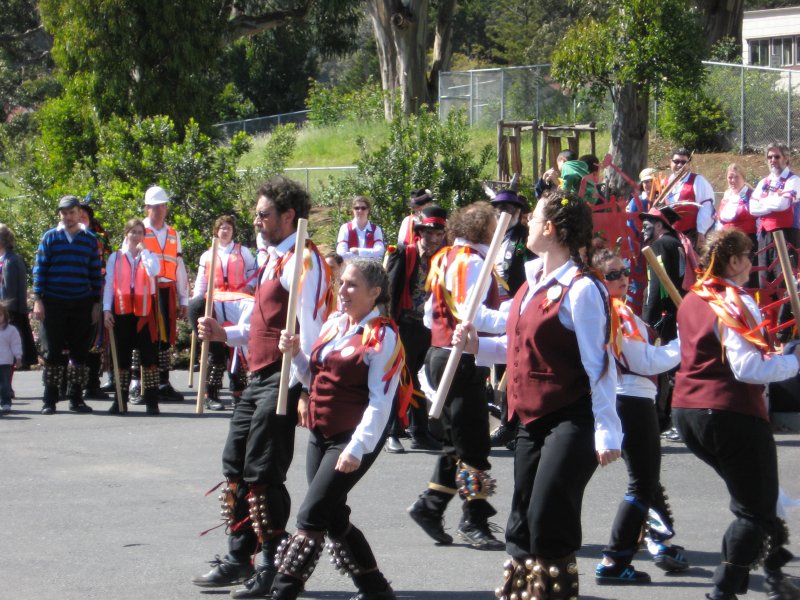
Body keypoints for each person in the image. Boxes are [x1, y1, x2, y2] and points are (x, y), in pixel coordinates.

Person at [457, 189, 622, 599]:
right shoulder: (531, 283)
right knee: (521, 522)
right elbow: (519, 345)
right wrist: (477, 344)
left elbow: (599, 364)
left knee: (549, 517)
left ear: (549, 228)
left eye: (533, 217)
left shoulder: (583, 289)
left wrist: (607, 431)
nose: (527, 221)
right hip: (528, 419)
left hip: (571, 416)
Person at [192, 176, 331, 599]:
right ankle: (240, 556)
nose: (256, 220)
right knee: (235, 461)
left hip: (284, 377)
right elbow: (261, 324)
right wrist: (224, 334)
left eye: (263, 214)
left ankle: (271, 563)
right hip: (258, 375)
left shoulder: (303, 262)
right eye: (255, 213)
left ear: (288, 216)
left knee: (263, 470)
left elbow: (312, 332)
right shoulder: (273, 257)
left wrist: (305, 386)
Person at [672, 228, 800, 600]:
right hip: (729, 412)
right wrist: (794, 362)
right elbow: (746, 368)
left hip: (688, 411)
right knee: (756, 509)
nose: (750, 264)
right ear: (732, 261)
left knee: (758, 498)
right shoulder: (733, 300)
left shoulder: (693, 298)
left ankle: (772, 573)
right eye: (747, 257)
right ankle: (724, 589)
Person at [267, 258, 403, 600]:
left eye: (352, 284)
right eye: (341, 282)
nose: (342, 290)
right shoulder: (333, 324)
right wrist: (296, 354)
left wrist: (357, 448)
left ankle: (282, 591)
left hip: (352, 437)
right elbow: (314, 377)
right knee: (332, 514)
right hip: (320, 432)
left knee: (311, 516)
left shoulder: (382, 336)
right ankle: (376, 589)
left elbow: (381, 401)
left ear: (374, 293)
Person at [407, 201, 507, 551]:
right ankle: (473, 520)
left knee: (457, 442)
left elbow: (428, 315)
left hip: (443, 353)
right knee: (475, 444)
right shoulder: (471, 261)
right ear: (485, 230)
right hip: (458, 360)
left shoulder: (446, 258)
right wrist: (517, 319)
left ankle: (430, 506)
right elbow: (473, 315)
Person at [592, 248, 689, 585]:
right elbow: (644, 361)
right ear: (599, 280)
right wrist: (685, 343)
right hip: (630, 399)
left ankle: (660, 541)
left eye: (624, 271)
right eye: (613, 274)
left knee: (647, 478)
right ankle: (614, 559)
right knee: (642, 482)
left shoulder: (618, 310)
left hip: (632, 397)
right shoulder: (615, 312)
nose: (622, 278)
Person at [385, 204, 448, 453]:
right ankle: (392, 433)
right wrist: (388, 327)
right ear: (420, 232)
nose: (434, 239)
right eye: (429, 233)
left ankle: (419, 432)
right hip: (404, 325)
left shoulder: (444, 259)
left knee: (420, 379)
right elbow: (389, 293)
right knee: (399, 377)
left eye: (439, 234)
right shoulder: (403, 253)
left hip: (428, 328)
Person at [32, 195, 103, 414]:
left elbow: (95, 273)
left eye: (72, 212)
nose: (68, 217)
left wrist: (96, 303)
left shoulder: (89, 239)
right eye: (64, 213)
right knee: (53, 352)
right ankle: (50, 399)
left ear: (79, 213)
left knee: (79, 352)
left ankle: (76, 398)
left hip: (82, 301)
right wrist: (38, 300)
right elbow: (39, 269)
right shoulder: (50, 237)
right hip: (54, 301)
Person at [189, 216, 257, 411]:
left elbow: (253, 274)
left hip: (238, 302)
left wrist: (249, 288)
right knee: (215, 350)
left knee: (237, 348)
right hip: (215, 302)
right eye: (222, 228)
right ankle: (211, 394)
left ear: (233, 231)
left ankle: (238, 392)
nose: (225, 231)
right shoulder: (207, 255)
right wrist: (196, 302)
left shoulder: (244, 252)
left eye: (228, 228)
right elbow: (202, 282)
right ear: (216, 231)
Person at [488, 185, 533, 448]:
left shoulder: (524, 238)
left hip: (519, 307)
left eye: (507, 208)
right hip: (497, 311)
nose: (502, 212)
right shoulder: (493, 237)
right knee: (501, 365)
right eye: (498, 208)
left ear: (517, 211)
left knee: (516, 367)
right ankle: (507, 421)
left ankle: (512, 424)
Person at [639, 205, 689, 439]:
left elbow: (657, 286)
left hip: (665, 315)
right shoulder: (676, 243)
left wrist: (647, 320)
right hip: (679, 310)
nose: (643, 229)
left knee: (667, 369)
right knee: (675, 367)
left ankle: (669, 420)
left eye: (647, 224)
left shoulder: (660, 246)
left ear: (659, 225)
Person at [102, 219, 161, 415]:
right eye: (133, 232)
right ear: (126, 234)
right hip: (122, 312)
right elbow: (109, 285)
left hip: (144, 312)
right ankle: (120, 401)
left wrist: (144, 252)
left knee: (149, 357)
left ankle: (152, 402)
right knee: (122, 358)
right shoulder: (116, 257)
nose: (136, 236)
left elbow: (154, 271)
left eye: (139, 232)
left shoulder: (149, 255)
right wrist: (106, 310)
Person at [141, 185, 190, 402]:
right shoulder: (139, 231)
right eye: (155, 206)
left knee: (165, 336)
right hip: (145, 291)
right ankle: (139, 382)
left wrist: (183, 298)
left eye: (162, 205)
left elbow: (179, 266)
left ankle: (162, 382)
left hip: (166, 289)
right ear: (147, 208)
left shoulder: (173, 234)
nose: (159, 210)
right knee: (145, 335)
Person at [750, 143, 800, 292]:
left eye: (777, 156)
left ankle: (788, 307)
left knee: (784, 280)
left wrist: (763, 202)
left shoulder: (794, 180)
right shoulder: (763, 182)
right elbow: (752, 208)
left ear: (786, 158)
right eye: (769, 157)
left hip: (786, 235)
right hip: (765, 235)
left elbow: (782, 205)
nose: (772, 160)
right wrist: (774, 200)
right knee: (764, 279)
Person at [78, 197, 113, 400]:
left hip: (95, 291)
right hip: (74, 292)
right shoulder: (64, 236)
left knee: (95, 338)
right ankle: (71, 385)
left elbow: (106, 263)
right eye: (78, 215)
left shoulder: (98, 238)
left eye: (84, 215)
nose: (81, 218)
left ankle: (91, 384)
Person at [660, 148, 716, 248]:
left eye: (683, 162)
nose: (680, 165)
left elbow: (706, 207)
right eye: (676, 161)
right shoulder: (665, 182)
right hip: (668, 235)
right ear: (670, 162)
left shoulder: (698, 181)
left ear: (689, 164)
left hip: (690, 235)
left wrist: (701, 232)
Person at [0, 224, 37, 371]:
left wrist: (4, 310)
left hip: (12, 311)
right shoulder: (7, 259)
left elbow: (8, 290)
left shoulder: (10, 261)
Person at [717, 163, 758, 288]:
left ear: (743, 178)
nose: (733, 180)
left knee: (745, 281)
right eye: (730, 177)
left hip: (746, 243)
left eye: (736, 177)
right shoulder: (727, 196)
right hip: (728, 243)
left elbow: (759, 220)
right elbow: (720, 221)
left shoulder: (752, 195)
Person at [336, 196, 385, 263]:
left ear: (368, 210)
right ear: (353, 210)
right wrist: (368, 255)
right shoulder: (345, 228)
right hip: (350, 267)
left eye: (363, 208)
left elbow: (379, 253)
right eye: (356, 208)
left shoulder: (376, 229)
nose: (360, 210)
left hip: (370, 268)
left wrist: (358, 251)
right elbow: (341, 254)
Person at [0, 303, 22, 413]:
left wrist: (18, 357)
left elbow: (16, 344)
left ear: (5, 315)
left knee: (5, 384)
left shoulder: (10, 330)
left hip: (5, 362)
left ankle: (6, 402)